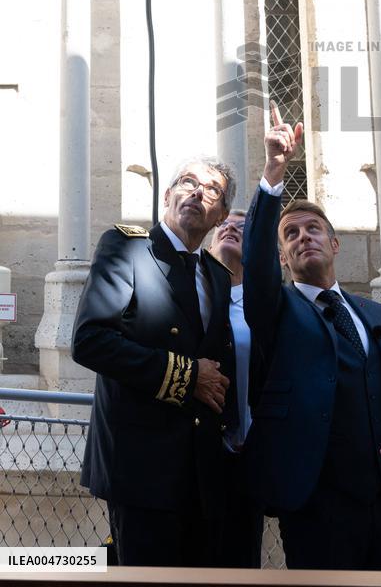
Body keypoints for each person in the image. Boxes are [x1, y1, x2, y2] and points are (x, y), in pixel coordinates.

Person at [241, 103, 381, 571]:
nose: (304, 237)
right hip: (317, 502)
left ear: (334, 244)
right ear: (282, 257)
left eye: (313, 229)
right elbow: (254, 263)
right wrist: (274, 171)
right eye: (291, 234)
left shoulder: (375, 313)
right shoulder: (277, 309)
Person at [72, 158, 238, 567]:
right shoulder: (128, 247)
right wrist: (188, 376)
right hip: (140, 468)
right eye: (187, 182)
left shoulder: (217, 276)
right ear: (167, 196)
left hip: (201, 473)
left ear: (220, 215)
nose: (197, 192)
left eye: (212, 190)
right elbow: (90, 341)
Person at [208, 211, 264, 568]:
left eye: (242, 228)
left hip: (250, 454)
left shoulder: (265, 304)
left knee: (242, 557)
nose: (230, 229)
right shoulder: (194, 294)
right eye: (223, 226)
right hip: (201, 449)